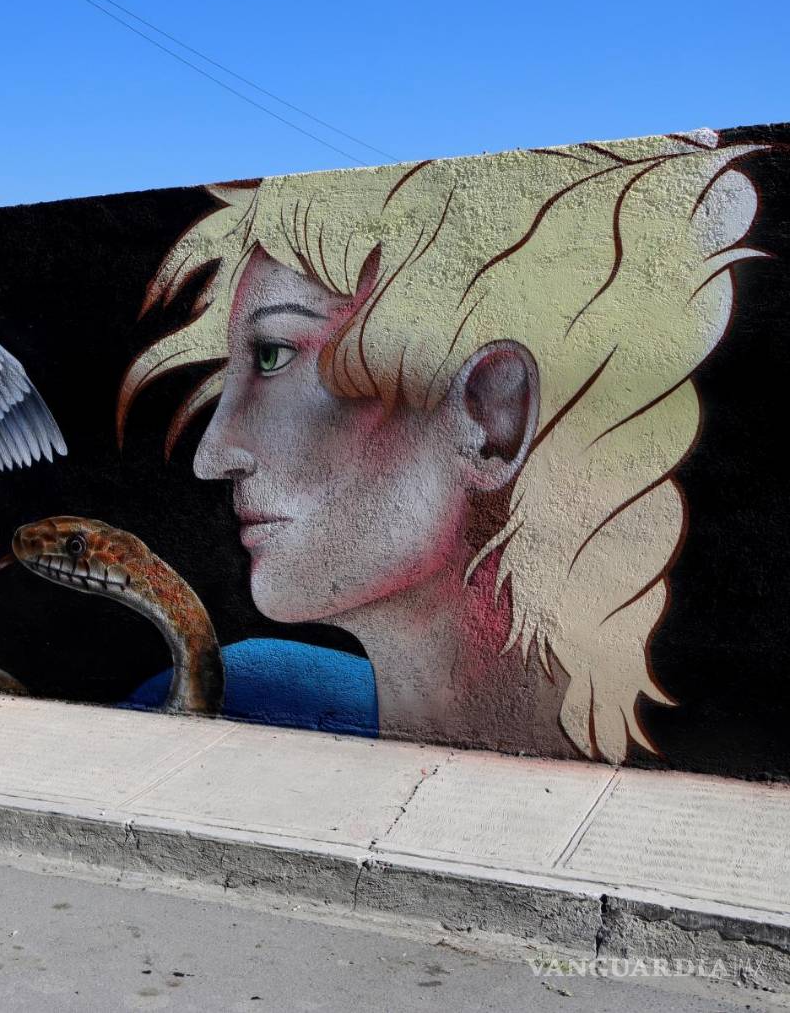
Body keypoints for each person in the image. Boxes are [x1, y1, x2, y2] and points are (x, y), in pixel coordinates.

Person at [118, 130, 768, 762]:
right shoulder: (231, 692)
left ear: (492, 419)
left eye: (272, 354)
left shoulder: (239, 699)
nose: (213, 454)